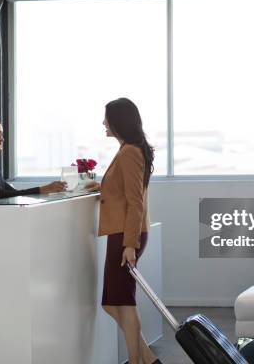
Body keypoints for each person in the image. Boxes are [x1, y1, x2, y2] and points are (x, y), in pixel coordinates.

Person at [86, 98, 162, 364]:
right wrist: (100, 188)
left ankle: (136, 360)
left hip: (126, 235)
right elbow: (126, 192)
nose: (103, 123)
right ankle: (147, 359)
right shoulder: (129, 150)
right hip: (122, 233)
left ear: (118, 121)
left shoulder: (130, 152)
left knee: (124, 301)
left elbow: (135, 201)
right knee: (112, 302)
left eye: (106, 118)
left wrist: (130, 244)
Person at [0, 111, 65, 200]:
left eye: (1, 134)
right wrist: (42, 189)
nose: (2, 139)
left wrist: (44, 190)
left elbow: (12, 193)